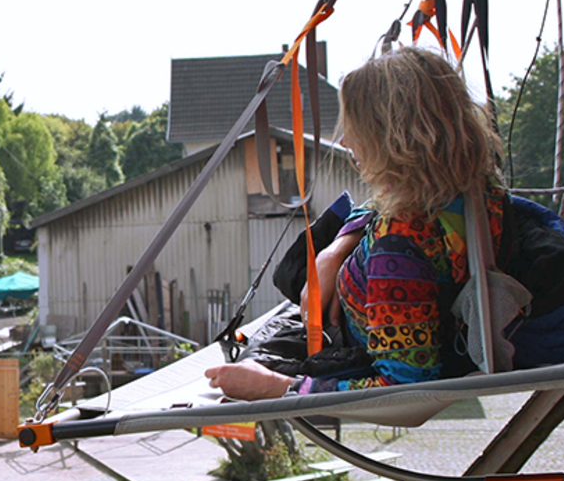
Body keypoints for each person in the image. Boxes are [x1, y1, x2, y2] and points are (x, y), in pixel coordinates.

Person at [205, 44, 511, 400]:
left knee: (279, 299)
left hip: (345, 351)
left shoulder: (398, 251)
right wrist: (337, 249)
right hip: (362, 315)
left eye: (357, 128)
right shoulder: (477, 192)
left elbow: (403, 388)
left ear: (392, 136)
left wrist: (277, 387)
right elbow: (381, 205)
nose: (347, 141)